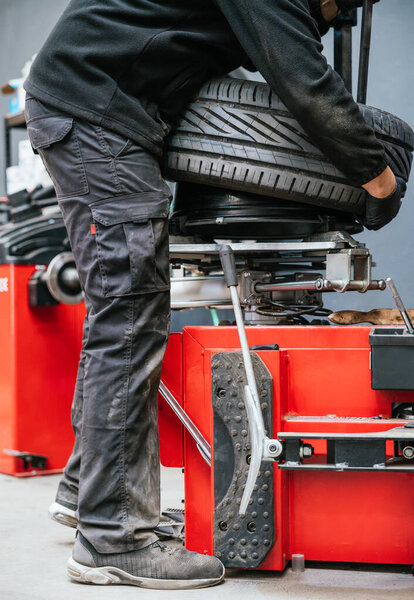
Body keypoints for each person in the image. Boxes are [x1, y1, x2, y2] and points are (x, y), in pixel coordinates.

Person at [24, 0, 404, 590]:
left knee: (123, 315)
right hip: (96, 114)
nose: (330, 19)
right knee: (127, 315)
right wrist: (377, 177)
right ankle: (113, 535)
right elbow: (305, 83)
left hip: (102, 110)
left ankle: (88, 493)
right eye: (333, 7)